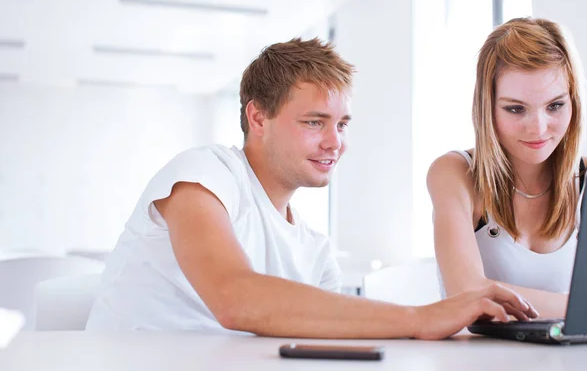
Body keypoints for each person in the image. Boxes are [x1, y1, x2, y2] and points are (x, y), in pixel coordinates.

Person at [86, 37, 536, 338]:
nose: (334, 142)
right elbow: (234, 298)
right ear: (257, 117)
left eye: (341, 124)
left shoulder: (316, 254)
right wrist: (419, 318)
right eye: (314, 122)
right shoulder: (202, 174)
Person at [428, 18, 587, 319]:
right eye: (516, 109)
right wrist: (583, 309)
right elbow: (468, 296)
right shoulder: (454, 174)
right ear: (487, 107)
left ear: (573, 102)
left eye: (555, 106)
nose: (538, 127)